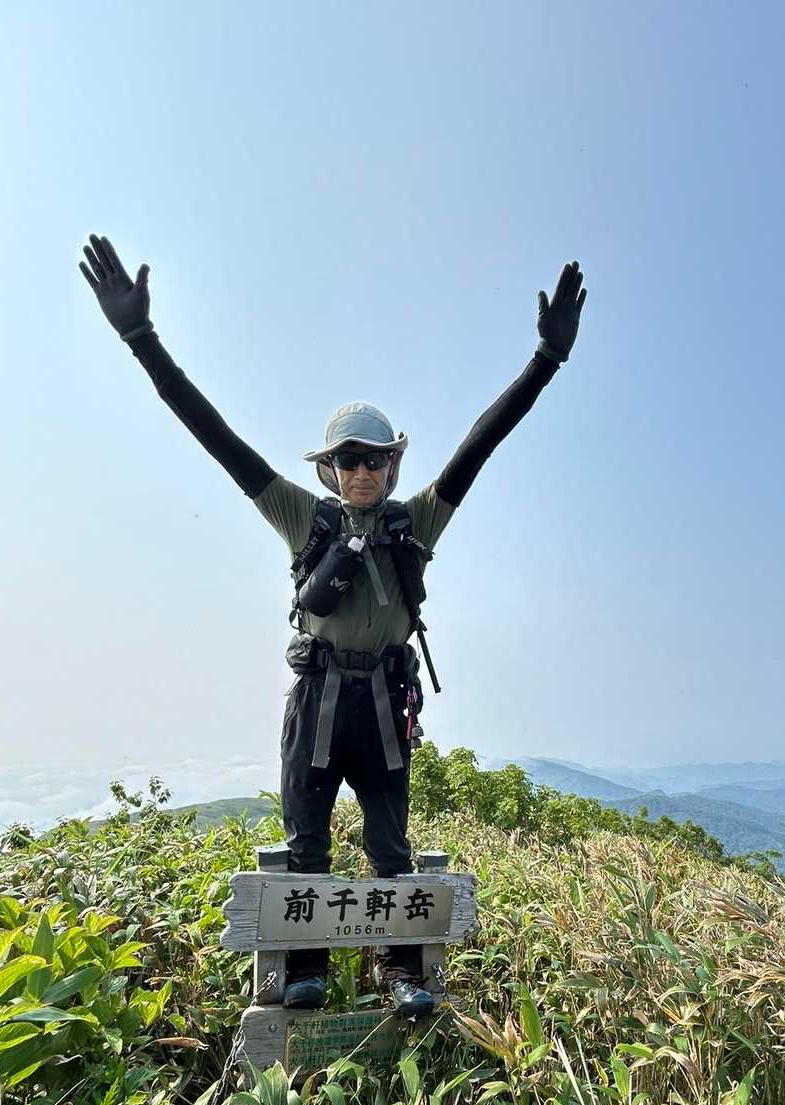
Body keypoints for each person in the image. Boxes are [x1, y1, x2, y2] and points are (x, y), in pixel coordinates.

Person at [80, 234, 586, 1016]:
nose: (362, 471)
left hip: (383, 702)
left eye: (375, 460)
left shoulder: (418, 521)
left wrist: (545, 361)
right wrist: (141, 338)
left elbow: (479, 446)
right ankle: (306, 971)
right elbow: (217, 438)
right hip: (318, 699)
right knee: (307, 842)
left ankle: (402, 973)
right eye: (349, 460)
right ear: (331, 468)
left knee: (390, 848)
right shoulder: (303, 518)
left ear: (392, 466)